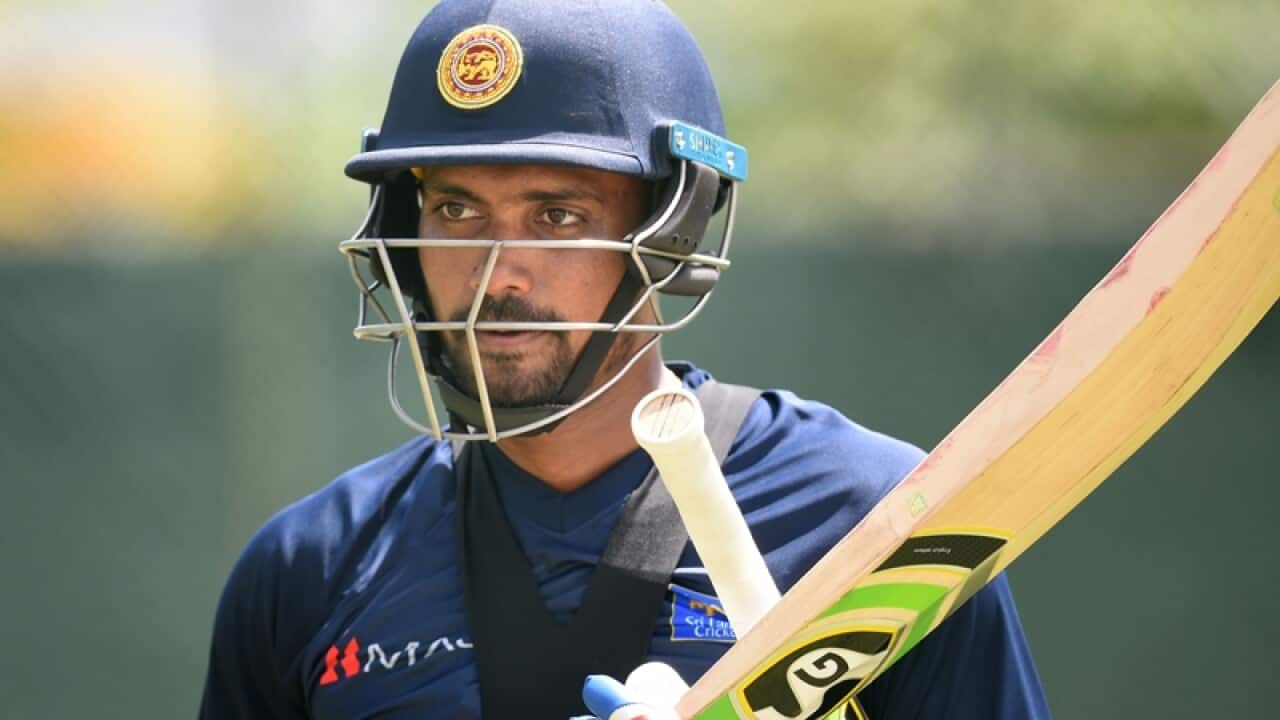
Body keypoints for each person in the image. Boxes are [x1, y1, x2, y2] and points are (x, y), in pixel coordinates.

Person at [199, 1, 1051, 718]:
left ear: (671, 232)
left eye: (558, 215)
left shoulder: (874, 526)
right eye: (456, 209)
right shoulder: (308, 572)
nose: (498, 271)